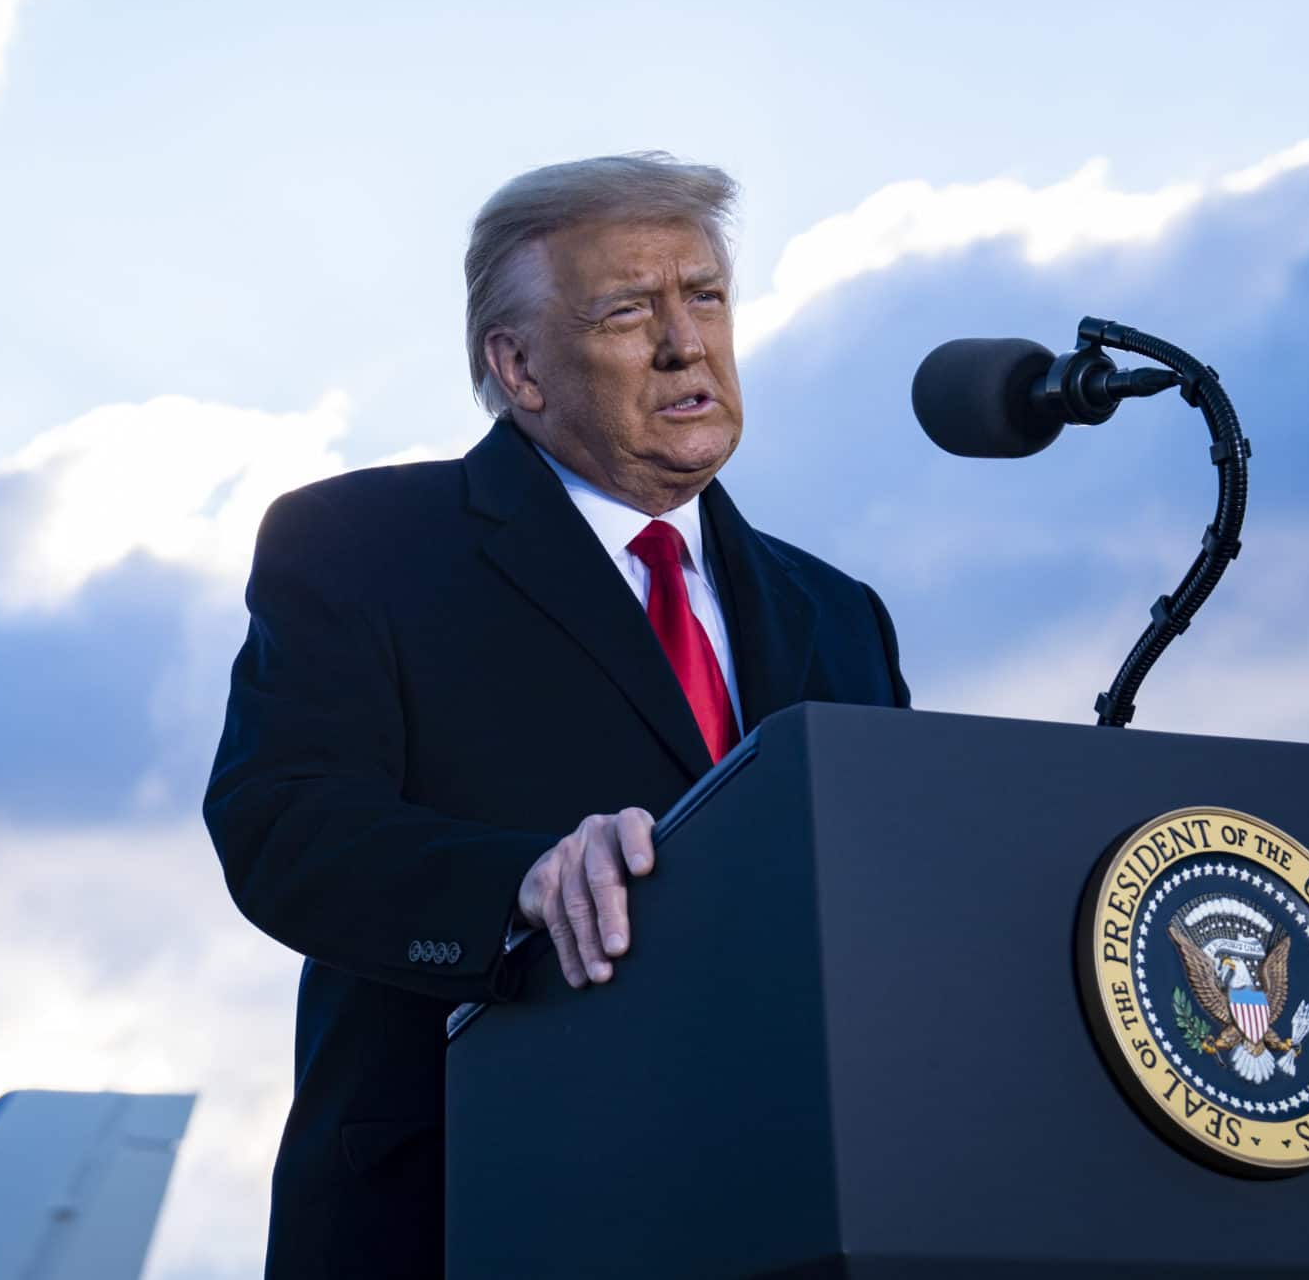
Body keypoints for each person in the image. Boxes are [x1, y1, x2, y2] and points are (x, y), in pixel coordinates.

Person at [203, 153, 910, 1278]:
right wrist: (519, 884)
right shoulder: (359, 547)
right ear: (518, 365)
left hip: (790, 1212)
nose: (684, 344)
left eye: (705, 297)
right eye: (628, 310)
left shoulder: (837, 612)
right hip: (461, 1208)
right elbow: (281, 824)